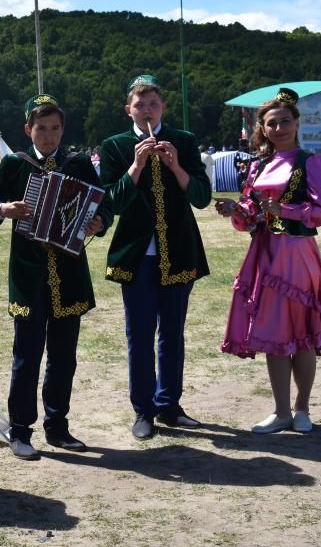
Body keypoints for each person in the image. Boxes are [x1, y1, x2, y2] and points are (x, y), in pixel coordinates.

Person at [0, 94, 111, 457]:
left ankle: (57, 425)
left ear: (63, 129)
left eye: (54, 128)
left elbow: (103, 205)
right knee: (27, 354)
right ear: (28, 130)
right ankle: (20, 429)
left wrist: (99, 222)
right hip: (29, 276)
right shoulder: (16, 166)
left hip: (69, 275)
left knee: (65, 355)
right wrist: (3, 209)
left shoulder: (78, 164)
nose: (48, 136)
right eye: (41, 129)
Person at [215, 88, 321, 433]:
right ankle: (281, 411)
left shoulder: (309, 162)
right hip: (265, 255)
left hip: (297, 256)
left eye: (285, 121)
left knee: (303, 335)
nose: (279, 128)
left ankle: (302, 409)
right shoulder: (258, 167)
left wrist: (283, 209)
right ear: (263, 129)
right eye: (272, 123)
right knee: (273, 334)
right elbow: (250, 218)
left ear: (297, 123)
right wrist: (235, 211)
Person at [99, 75, 211, 440]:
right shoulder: (115, 145)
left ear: (162, 107)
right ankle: (143, 410)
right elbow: (110, 202)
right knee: (140, 334)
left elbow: (201, 197)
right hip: (136, 256)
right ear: (128, 110)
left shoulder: (185, 140)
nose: (146, 111)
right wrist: (136, 166)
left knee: (172, 335)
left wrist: (176, 166)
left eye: (153, 104)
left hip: (178, 251)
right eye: (139, 105)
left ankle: (169, 406)